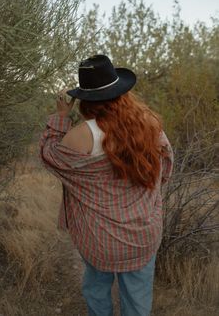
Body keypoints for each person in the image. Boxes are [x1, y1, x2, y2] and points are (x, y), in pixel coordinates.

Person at [39, 55, 173, 316]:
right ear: (120, 92)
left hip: (98, 238)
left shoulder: (79, 137)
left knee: (97, 288)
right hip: (143, 232)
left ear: (84, 100)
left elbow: (49, 156)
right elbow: (165, 168)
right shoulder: (150, 125)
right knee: (138, 297)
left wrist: (60, 118)